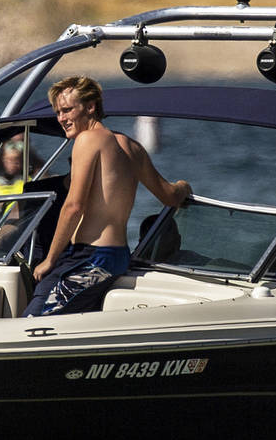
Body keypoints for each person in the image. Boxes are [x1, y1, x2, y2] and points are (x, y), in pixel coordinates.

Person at [23, 75, 191, 317]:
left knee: (32, 320)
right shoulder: (132, 147)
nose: (61, 118)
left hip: (91, 258)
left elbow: (74, 206)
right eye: (58, 112)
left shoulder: (88, 139)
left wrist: (50, 259)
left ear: (91, 107)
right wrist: (184, 187)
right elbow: (170, 197)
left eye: (67, 110)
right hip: (117, 256)